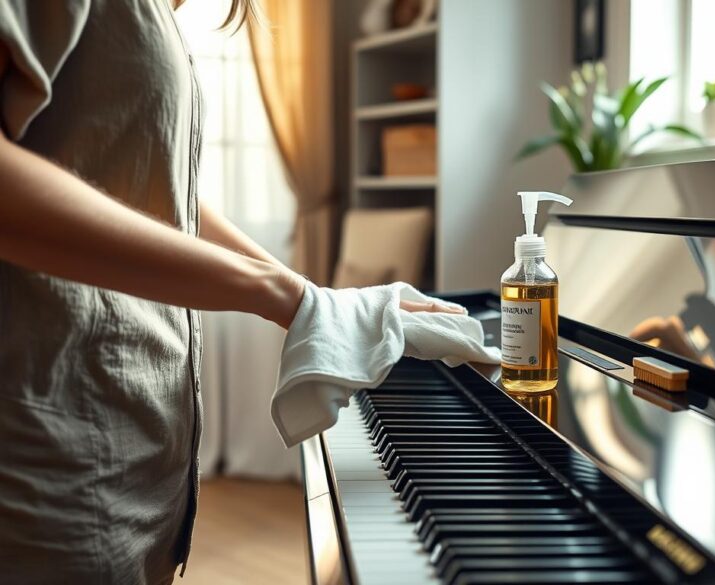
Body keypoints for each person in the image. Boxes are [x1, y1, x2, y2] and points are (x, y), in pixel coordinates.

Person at [0, 1, 457, 582]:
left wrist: (313, 299)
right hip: (53, 452)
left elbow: (156, 189)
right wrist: (286, 296)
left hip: (137, 456)